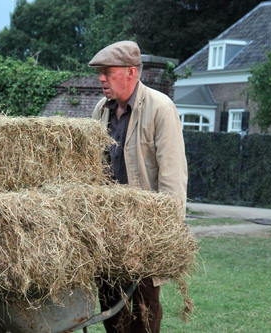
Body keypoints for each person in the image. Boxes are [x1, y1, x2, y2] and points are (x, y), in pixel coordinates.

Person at [89, 41, 188, 332]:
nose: (101, 78)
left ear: (131, 72)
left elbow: (173, 175)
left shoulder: (160, 107)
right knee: (110, 307)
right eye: (100, 72)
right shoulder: (100, 110)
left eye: (108, 71)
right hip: (108, 231)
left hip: (145, 232)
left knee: (144, 309)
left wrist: (168, 233)